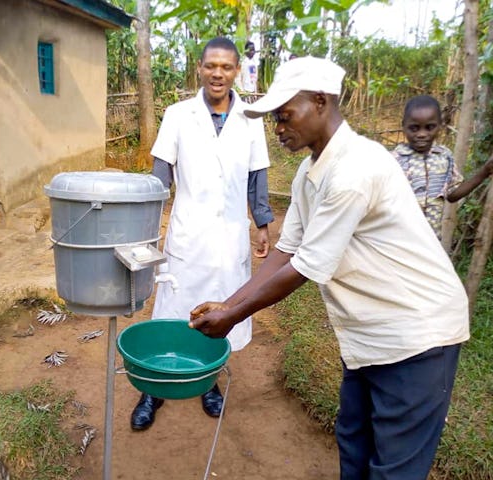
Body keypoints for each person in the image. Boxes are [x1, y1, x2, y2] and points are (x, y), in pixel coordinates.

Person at [189, 56, 469, 479]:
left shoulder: (356, 169)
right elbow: (286, 251)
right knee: (354, 443)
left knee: (395, 466)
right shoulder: (309, 172)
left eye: (285, 117)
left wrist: (233, 315)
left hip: (417, 334)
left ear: (320, 102)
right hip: (370, 334)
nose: (279, 129)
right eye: (274, 121)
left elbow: (306, 266)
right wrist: (226, 303)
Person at [130, 37, 274, 431]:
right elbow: (161, 177)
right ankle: (153, 388)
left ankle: (208, 383)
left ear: (235, 71)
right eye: (211, 65)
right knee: (172, 310)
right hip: (188, 235)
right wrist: (146, 230)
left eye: (226, 67)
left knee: (221, 311)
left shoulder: (250, 119)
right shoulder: (178, 115)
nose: (218, 74)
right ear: (199, 67)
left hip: (230, 238)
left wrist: (261, 224)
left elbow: (257, 176)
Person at [392, 94, 493, 239]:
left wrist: (483, 172)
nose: (421, 134)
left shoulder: (444, 156)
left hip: (431, 242)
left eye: (429, 127)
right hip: (399, 240)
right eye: (414, 128)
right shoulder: (393, 160)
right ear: (403, 126)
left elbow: (452, 195)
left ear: (440, 125)